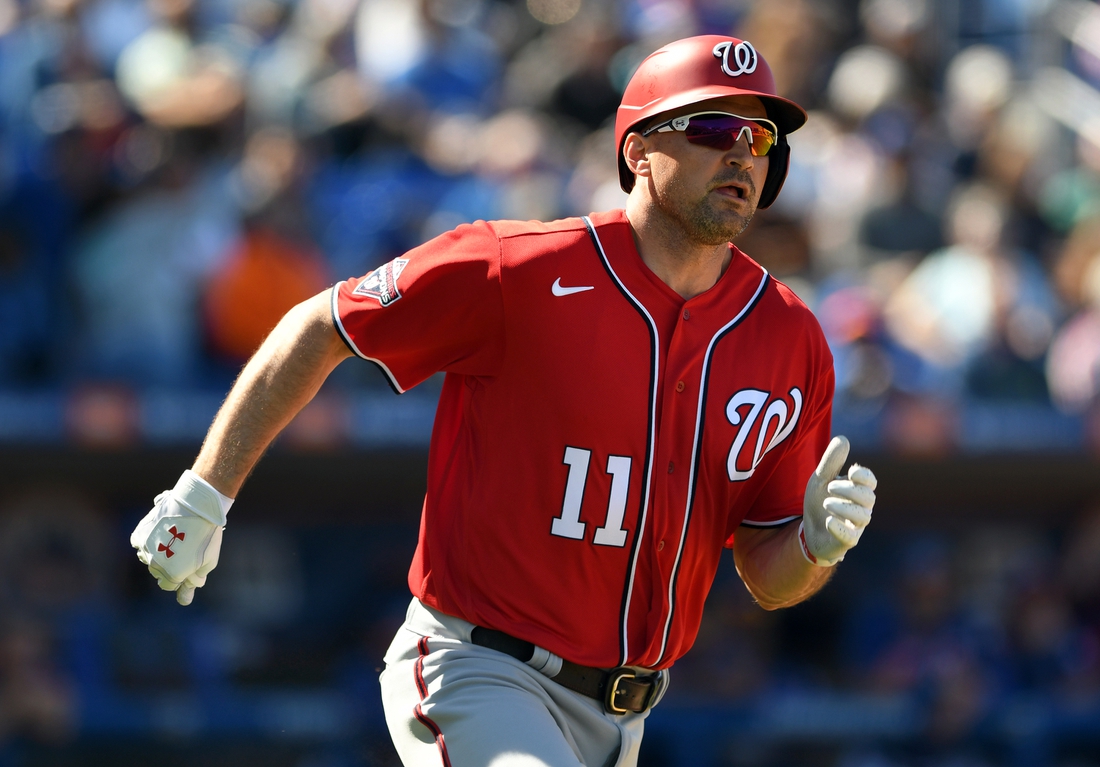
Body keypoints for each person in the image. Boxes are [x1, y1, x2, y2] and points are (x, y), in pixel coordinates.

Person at [131, 35, 878, 767]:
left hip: (628, 718)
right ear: (638, 150)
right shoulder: (517, 268)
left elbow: (768, 574)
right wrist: (205, 492)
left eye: (761, 136)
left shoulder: (789, 336)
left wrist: (816, 546)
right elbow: (321, 325)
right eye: (715, 127)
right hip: (477, 666)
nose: (743, 153)